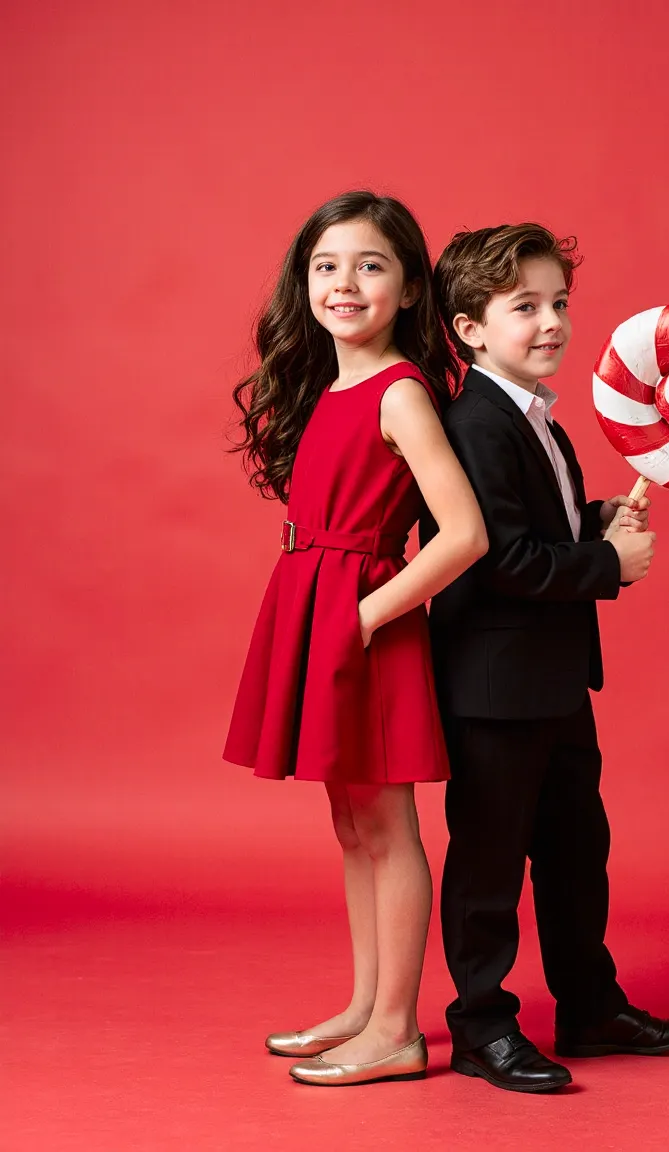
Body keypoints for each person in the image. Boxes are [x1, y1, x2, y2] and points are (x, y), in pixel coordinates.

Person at [421, 223, 669, 1093]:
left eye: (559, 304)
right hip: (494, 685)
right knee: (491, 860)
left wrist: (594, 519)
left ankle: (589, 1004)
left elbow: (538, 529)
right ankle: (480, 1025)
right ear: (469, 328)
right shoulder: (475, 421)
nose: (551, 323)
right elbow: (499, 557)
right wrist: (606, 565)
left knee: (579, 847)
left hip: (552, 680)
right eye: (526, 307)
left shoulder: (536, 415)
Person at [224, 191, 488, 1088]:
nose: (344, 283)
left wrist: (370, 616)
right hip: (317, 606)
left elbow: (463, 534)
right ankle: (365, 1003)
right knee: (351, 822)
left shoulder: (400, 392)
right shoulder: (331, 385)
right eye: (327, 266)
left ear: (410, 288)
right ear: (305, 283)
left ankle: (396, 1029)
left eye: (370, 266)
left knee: (386, 821)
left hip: (363, 618)